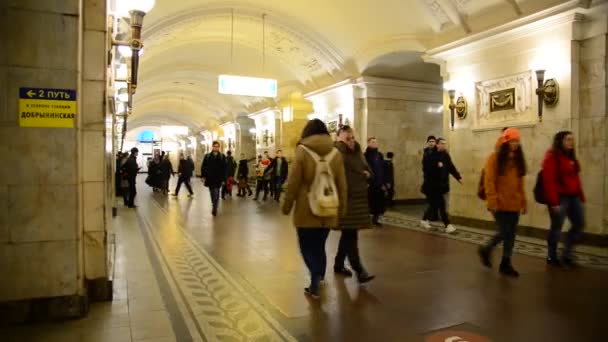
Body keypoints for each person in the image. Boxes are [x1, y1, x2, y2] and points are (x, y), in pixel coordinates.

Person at [281, 119, 347, 299]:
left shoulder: (302, 151)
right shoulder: (336, 153)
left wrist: (286, 206)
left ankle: (315, 277)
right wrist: (342, 210)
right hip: (328, 208)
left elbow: (293, 182)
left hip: (306, 209)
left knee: (306, 247)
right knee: (319, 245)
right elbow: (342, 185)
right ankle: (320, 275)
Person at [478, 128, 527, 277]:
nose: (515, 144)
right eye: (512, 141)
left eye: (517, 141)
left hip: (514, 204)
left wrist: (523, 202)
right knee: (505, 232)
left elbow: (520, 184)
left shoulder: (518, 160)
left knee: (511, 235)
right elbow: (489, 181)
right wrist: (492, 201)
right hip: (499, 203)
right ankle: (487, 249)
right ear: (506, 142)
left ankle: (506, 263)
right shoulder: (495, 158)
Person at [332, 126, 375, 283]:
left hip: (359, 199)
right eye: (346, 139)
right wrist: (340, 145)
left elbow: (368, 170)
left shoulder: (357, 152)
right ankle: (359, 270)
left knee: (348, 234)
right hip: (345, 200)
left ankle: (338, 264)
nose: (350, 141)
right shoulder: (336, 152)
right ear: (338, 139)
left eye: (352, 138)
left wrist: (367, 174)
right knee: (351, 235)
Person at [542, 131, 585, 267]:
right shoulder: (552, 157)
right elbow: (549, 181)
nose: (571, 142)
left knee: (579, 224)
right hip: (560, 197)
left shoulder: (571, 157)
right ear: (560, 141)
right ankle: (551, 256)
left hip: (574, 196)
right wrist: (554, 202)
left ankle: (566, 254)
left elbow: (575, 178)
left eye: (572, 139)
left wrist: (580, 196)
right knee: (556, 227)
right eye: (568, 139)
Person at [420, 138, 461, 233]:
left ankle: (424, 220)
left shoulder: (445, 155)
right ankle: (448, 225)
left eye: (445, 144)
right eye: (442, 143)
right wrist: (437, 166)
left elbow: (451, 167)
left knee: (434, 204)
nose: (443, 145)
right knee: (441, 205)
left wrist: (458, 177)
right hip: (432, 185)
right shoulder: (430, 155)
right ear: (437, 144)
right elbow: (426, 170)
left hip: (441, 185)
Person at [365, 137, 386, 226]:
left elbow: (382, 168)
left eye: (376, 142)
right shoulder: (365, 155)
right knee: (370, 201)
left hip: (379, 182)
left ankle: (376, 219)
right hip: (370, 182)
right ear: (368, 143)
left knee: (378, 201)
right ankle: (368, 218)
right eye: (373, 142)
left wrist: (383, 182)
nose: (375, 143)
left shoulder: (380, 155)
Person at [201, 141, 226, 216]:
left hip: (218, 178)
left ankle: (215, 206)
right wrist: (203, 176)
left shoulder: (222, 156)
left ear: (219, 147)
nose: (216, 148)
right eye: (215, 146)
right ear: (212, 147)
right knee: (212, 192)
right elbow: (203, 167)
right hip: (210, 178)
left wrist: (224, 179)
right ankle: (214, 204)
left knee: (217, 192)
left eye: (217, 146)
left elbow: (225, 168)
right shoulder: (207, 156)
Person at [421, 136, 439, 221]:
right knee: (430, 199)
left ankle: (433, 216)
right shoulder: (426, 152)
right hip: (427, 179)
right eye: (430, 141)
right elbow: (424, 165)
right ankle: (431, 215)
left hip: (435, 179)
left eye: (433, 141)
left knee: (435, 199)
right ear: (427, 142)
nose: (431, 143)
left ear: (435, 143)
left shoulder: (438, 151)